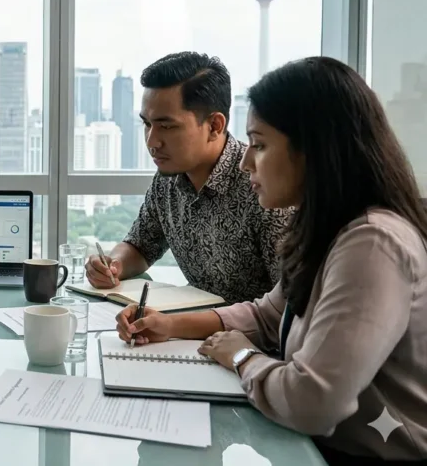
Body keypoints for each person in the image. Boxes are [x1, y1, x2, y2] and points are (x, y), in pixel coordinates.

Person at [114, 57, 427, 464]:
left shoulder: (372, 245)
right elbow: (269, 315)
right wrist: (170, 325)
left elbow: (312, 403)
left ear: (313, 149)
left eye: (259, 145)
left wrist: (242, 357)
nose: (246, 161)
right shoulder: (328, 230)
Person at [86, 51, 291, 304]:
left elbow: (291, 304)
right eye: (147, 124)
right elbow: (140, 245)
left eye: (167, 126)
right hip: (188, 324)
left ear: (214, 126)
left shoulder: (264, 187)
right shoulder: (168, 178)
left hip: (246, 329)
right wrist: (112, 265)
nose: (152, 142)